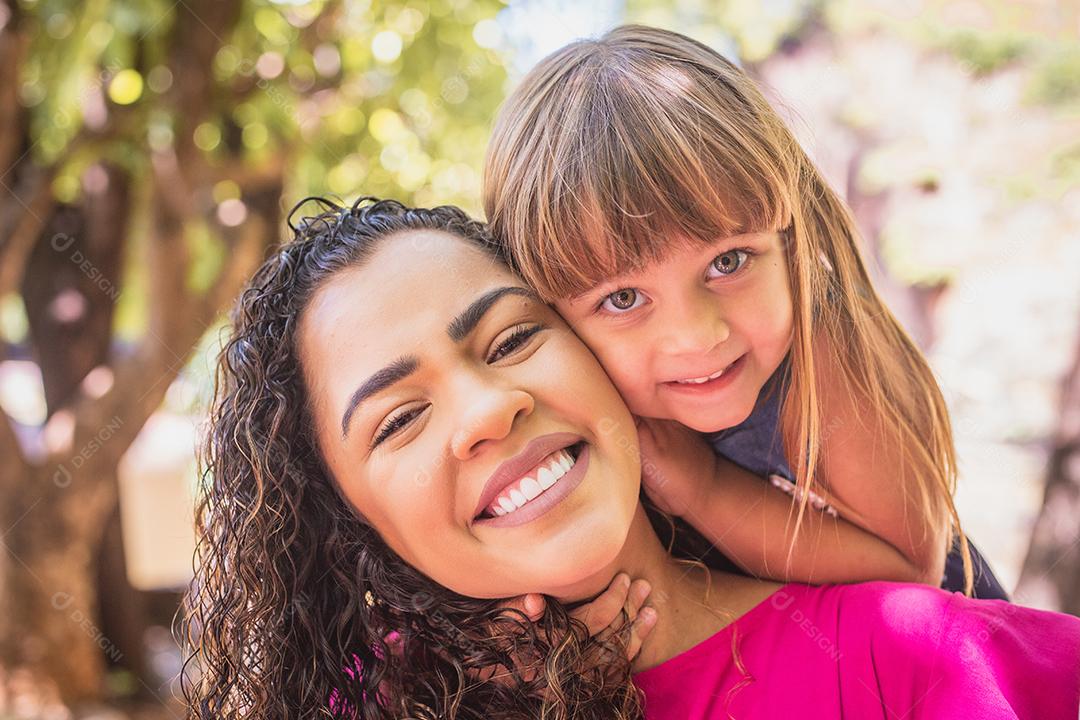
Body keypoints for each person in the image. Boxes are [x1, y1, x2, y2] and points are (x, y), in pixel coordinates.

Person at [182, 197, 1080, 719]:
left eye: (511, 340)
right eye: (400, 419)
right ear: (350, 525)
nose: (490, 409)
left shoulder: (921, 660)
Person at [483, 24, 1008, 599]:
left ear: (787, 239)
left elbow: (914, 568)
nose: (697, 335)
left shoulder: (823, 350)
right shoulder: (574, 415)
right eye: (624, 299)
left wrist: (704, 488)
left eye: (728, 262)